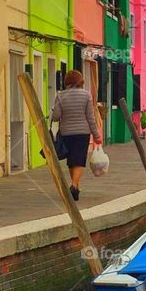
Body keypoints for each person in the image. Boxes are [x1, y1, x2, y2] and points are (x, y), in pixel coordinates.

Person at [51, 70, 102, 202]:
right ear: (80, 81)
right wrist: (96, 135)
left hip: (66, 132)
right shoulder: (86, 95)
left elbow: (56, 117)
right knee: (79, 160)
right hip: (82, 133)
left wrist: (54, 110)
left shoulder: (60, 96)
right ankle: (74, 185)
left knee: (71, 160)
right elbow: (90, 118)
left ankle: (76, 188)